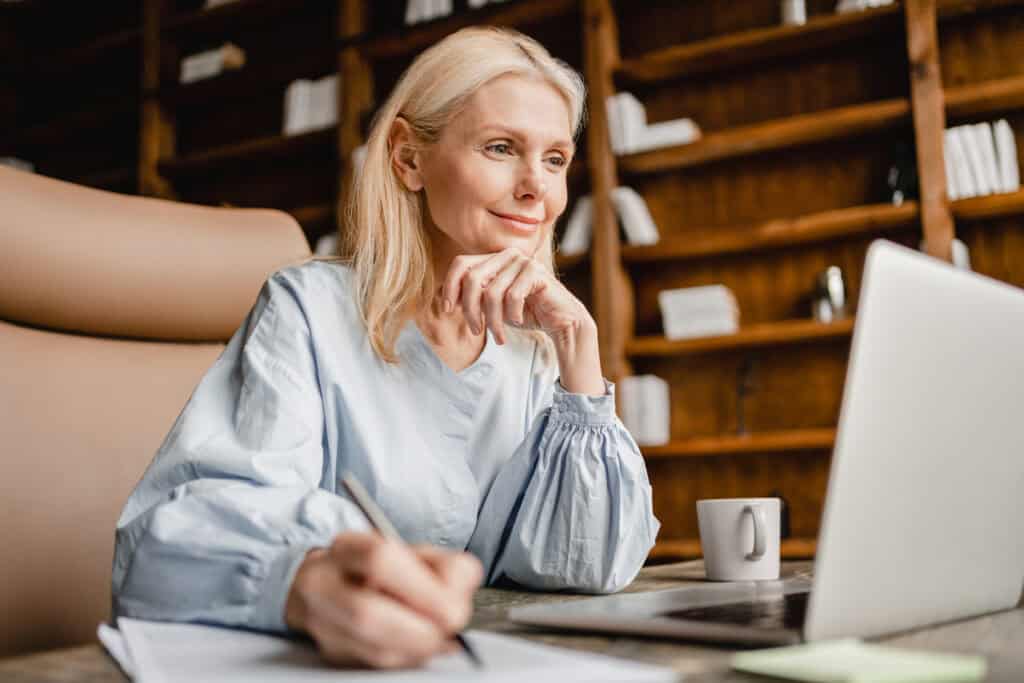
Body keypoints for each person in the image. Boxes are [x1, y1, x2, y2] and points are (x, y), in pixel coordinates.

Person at [112, 26, 659, 669]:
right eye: (501, 147)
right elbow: (166, 544)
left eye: (556, 159)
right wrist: (304, 583)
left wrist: (579, 350)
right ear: (407, 158)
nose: (536, 188)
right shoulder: (310, 310)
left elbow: (585, 567)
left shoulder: (538, 355)